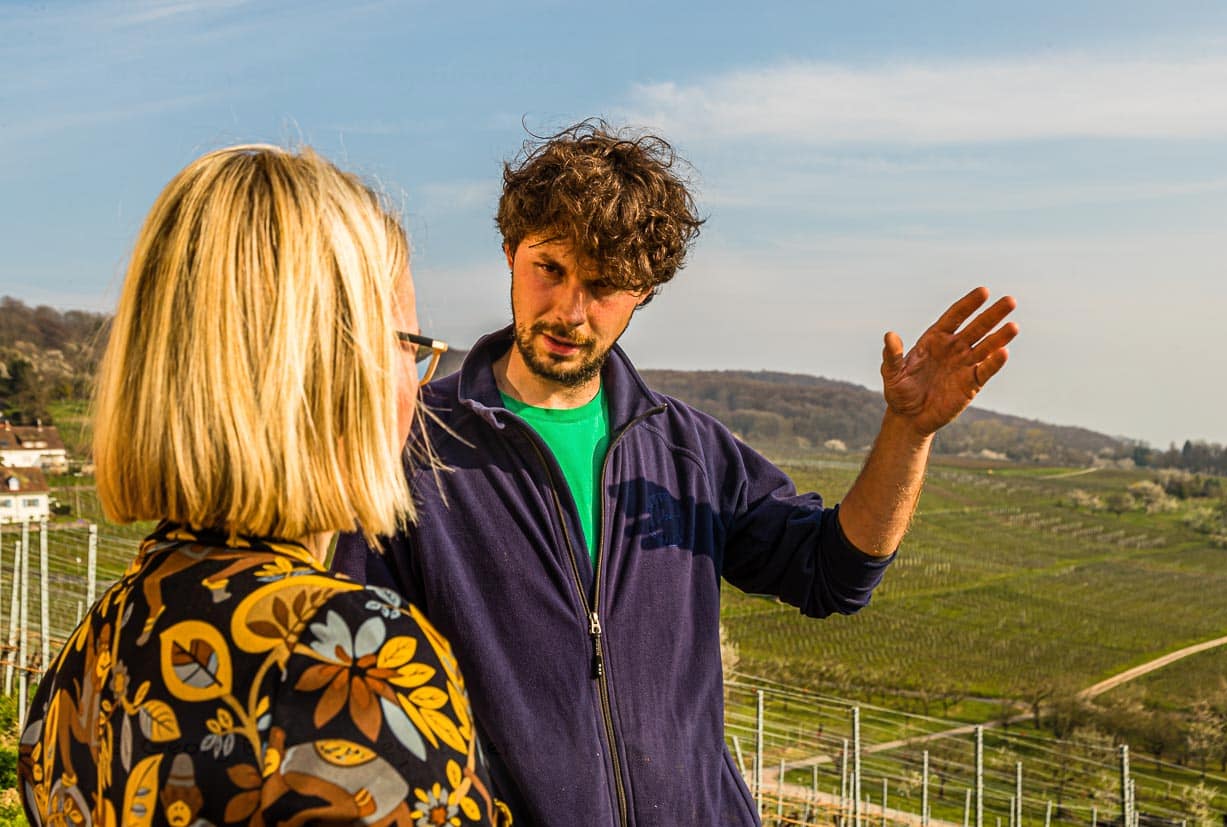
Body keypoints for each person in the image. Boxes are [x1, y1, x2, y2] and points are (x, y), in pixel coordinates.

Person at [333, 120, 1018, 826]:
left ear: (645, 292)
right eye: (550, 268)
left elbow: (835, 574)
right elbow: (354, 679)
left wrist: (907, 433)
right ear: (510, 249)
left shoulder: (689, 452)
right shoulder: (413, 447)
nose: (570, 310)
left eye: (603, 286)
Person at [18, 145, 509, 827]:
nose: (417, 381)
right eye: (408, 343)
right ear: (323, 365)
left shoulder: (81, 667)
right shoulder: (351, 658)